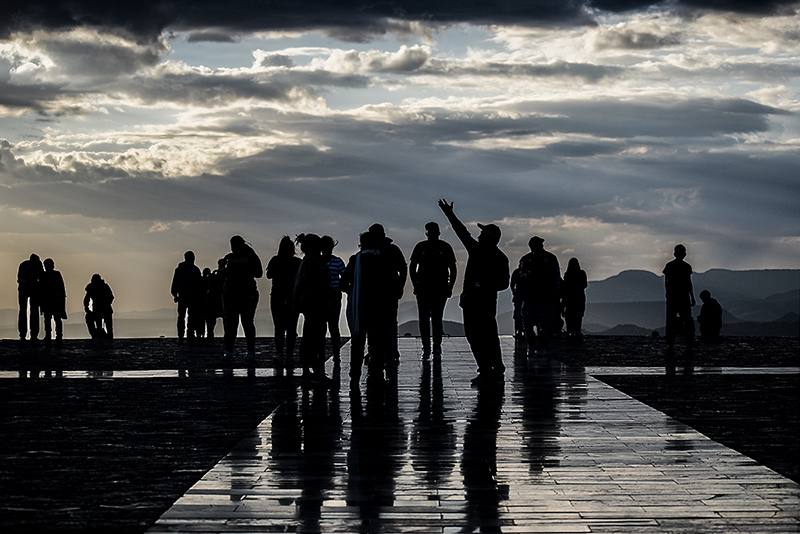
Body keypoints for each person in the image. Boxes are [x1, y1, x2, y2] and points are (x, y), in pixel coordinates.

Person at [438, 199, 509, 385]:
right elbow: (461, 231)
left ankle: (491, 368)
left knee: (483, 337)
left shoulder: (491, 255)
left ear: (490, 237)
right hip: (474, 302)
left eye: (483, 233)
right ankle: (491, 367)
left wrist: (483, 285)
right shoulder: (486, 252)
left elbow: (504, 283)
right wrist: (449, 214)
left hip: (481, 303)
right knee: (481, 336)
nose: (479, 235)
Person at [343, 231, 396, 387]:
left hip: (360, 307)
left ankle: (355, 375)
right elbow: (392, 284)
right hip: (380, 307)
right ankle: (376, 375)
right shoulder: (385, 260)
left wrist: (353, 291)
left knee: (357, 342)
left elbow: (343, 282)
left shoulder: (355, 260)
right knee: (377, 343)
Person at [409, 221, 457, 360]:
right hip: (424, 288)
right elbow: (412, 267)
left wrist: (450, 286)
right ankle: (428, 347)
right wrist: (415, 284)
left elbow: (453, 268)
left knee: (435, 319)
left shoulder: (444, 247)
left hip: (438, 288)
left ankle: (435, 347)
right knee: (426, 319)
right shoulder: (421, 246)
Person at [293, 233, 331, 383]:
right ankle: (314, 370)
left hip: (313, 302)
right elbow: (312, 282)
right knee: (314, 337)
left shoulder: (311, 260)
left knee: (311, 336)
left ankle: (309, 370)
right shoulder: (312, 261)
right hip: (314, 302)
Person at [219, 235, 263, 361]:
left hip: (245, 294)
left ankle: (247, 351)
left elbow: (259, 273)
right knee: (233, 324)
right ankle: (230, 351)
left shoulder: (249, 257)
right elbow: (220, 273)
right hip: (232, 294)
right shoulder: (230, 257)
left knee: (245, 323)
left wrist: (243, 270)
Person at [516, 236, 561, 356]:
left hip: (545, 296)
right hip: (530, 296)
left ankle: (543, 346)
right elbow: (521, 275)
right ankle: (531, 345)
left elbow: (556, 276)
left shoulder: (550, 258)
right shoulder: (526, 259)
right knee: (528, 322)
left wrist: (555, 292)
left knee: (544, 323)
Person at [266, 236, 302, 366]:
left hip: (277, 296)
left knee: (279, 327)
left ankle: (280, 353)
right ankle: (289, 355)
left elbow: (269, 275)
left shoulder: (275, 260)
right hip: (292, 296)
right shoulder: (297, 262)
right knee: (291, 327)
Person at [662, 244, 696, 351]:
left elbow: (666, 281)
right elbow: (689, 282)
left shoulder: (669, 265)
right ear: (684, 254)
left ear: (674, 254)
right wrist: (692, 296)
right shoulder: (687, 266)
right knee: (687, 320)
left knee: (671, 320)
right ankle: (689, 341)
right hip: (683, 296)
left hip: (672, 296)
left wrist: (667, 292)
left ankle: (670, 342)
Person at [321, 235, 346, 361]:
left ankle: (322, 353)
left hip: (321, 297)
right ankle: (336, 353)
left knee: (323, 327)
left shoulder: (317, 261)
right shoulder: (338, 262)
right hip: (334, 296)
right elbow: (345, 277)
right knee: (333, 327)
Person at [171, 251, 204, 340]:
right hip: (193, 297)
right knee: (191, 316)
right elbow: (199, 283)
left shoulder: (179, 269)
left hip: (182, 296)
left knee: (181, 316)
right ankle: (190, 333)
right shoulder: (195, 269)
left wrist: (175, 294)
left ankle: (180, 334)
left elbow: (174, 283)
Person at [17, 253, 44, 342]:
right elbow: (20, 279)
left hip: (34, 289)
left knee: (33, 310)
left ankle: (33, 334)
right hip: (25, 289)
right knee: (24, 310)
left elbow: (42, 278)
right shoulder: (24, 265)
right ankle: (23, 334)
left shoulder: (38, 265)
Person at [40, 258, 67, 342]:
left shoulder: (47, 275)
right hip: (50, 300)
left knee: (54, 319)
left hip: (54, 300)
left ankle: (56, 335)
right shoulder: (46, 275)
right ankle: (53, 335)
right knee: (50, 319)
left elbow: (61, 288)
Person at [561, 257, 588, 337]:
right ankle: (577, 330)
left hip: (569, 298)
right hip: (579, 297)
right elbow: (585, 285)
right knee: (578, 315)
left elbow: (565, 287)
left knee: (570, 315)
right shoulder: (582, 273)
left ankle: (571, 331)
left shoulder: (567, 275)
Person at [84, 274, 114, 339]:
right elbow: (86, 300)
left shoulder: (102, 287)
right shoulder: (92, 288)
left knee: (108, 327)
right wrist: (87, 309)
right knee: (100, 326)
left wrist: (105, 304)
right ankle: (98, 335)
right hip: (99, 310)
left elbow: (111, 297)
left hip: (105, 309)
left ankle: (103, 336)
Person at [510, 267, 524, 341]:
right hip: (519, 296)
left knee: (518, 313)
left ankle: (519, 329)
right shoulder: (517, 272)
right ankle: (519, 329)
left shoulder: (517, 272)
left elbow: (512, 284)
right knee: (518, 313)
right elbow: (512, 284)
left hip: (521, 295)